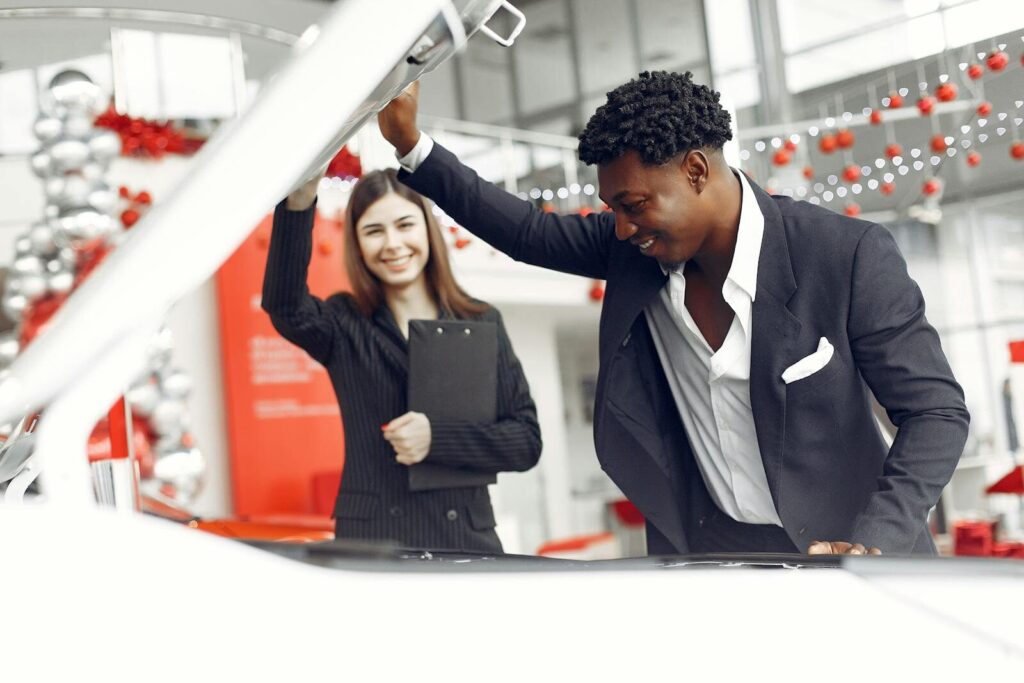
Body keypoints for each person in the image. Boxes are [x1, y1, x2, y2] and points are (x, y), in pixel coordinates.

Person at [378, 73, 970, 556]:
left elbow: (936, 412)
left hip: (851, 556)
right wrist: (411, 144)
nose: (622, 226)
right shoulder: (635, 253)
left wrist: (873, 544)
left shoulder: (846, 254)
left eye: (633, 205)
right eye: (612, 208)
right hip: (712, 556)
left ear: (695, 170)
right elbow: (526, 230)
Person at [262, 167, 541, 552]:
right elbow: (285, 306)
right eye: (374, 231)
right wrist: (299, 199)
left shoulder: (479, 320)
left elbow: (526, 441)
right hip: (374, 543)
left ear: (427, 229)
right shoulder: (344, 322)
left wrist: (437, 438)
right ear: (357, 245)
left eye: (404, 225)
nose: (392, 244)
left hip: (465, 541)